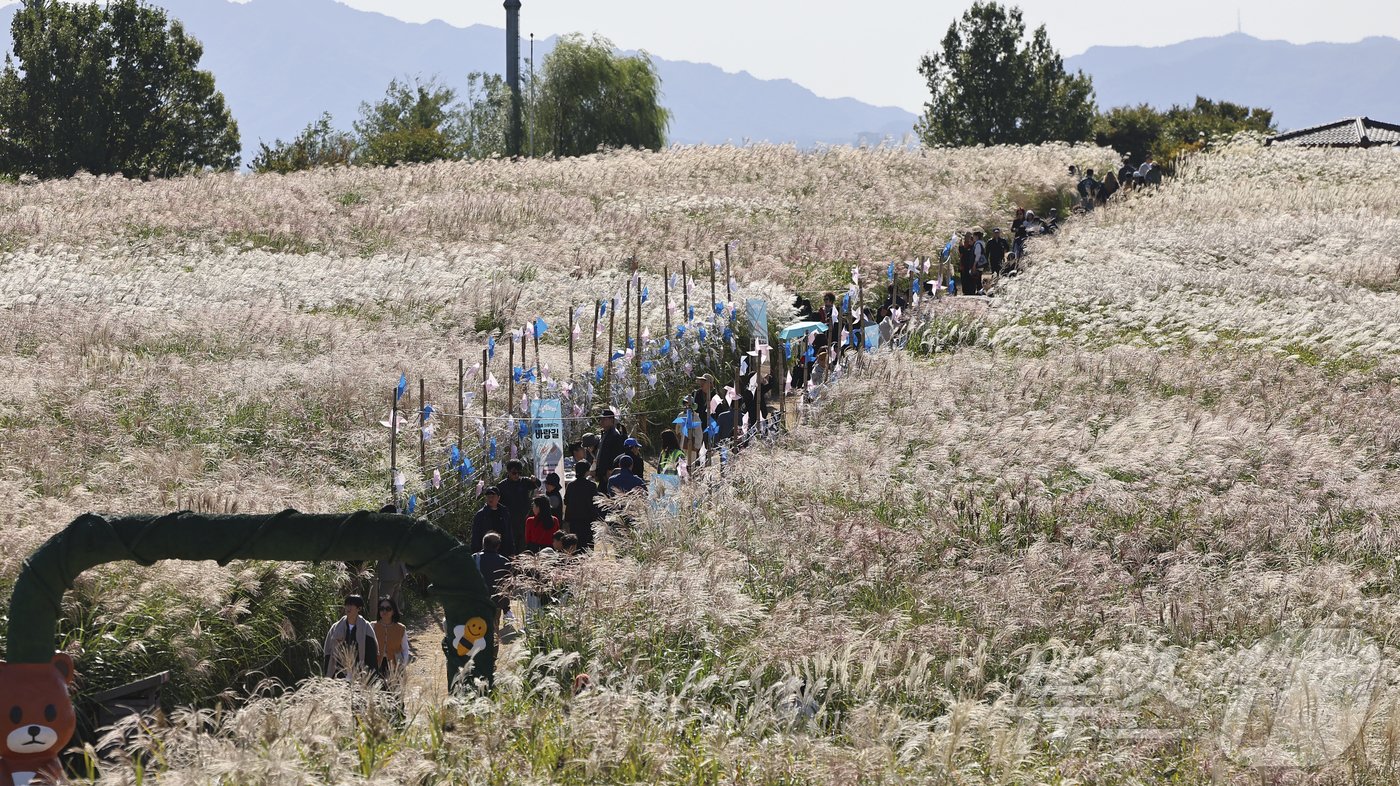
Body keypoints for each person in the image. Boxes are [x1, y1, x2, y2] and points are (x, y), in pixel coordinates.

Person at [323, 595, 379, 679]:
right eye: (347, 605)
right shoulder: (336, 627)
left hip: (360, 673)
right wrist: (328, 672)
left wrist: (370, 676)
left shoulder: (366, 628)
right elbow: (328, 652)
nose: (348, 607)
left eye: (351, 605)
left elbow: (372, 655)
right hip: (339, 672)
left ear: (359, 608)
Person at [472, 531, 513, 634]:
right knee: (493, 628)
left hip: (477, 600)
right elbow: (509, 586)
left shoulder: (474, 558)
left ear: (483, 543)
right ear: (498, 546)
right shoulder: (504, 561)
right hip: (496, 602)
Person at [498, 460, 538, 556]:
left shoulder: (524, 481)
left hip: (524, 518)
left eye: (519, 473)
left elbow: (538, 484)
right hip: (510, 519)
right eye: (514, 473)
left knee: (524, 544)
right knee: (511, 544)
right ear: (508, 472)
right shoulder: (502, 486)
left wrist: (535, 480)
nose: (517, 475)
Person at [564, 459, 602, 550]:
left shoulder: (571, 485)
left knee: (575, 545)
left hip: (574, 520)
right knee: (588, 546)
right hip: (588, 520)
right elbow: (596, 502)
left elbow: (566, 501)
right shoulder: (591, 486)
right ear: (586, 471)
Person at [372, 596, 410, 678]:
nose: (384, 611)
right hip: (376, 665)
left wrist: (403, 665)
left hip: (395, 665)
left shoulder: (401, 628)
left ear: (393, 611)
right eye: (381, 609)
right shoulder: (372, 626)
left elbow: (405, 649)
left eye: (388, 609)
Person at [471, 486, 512, 554]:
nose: (490, 499)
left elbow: (509, 532)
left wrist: (511, 550)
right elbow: (476, 535)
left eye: (493, 496)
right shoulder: (481, 514)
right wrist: (476, 551)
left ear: (498, 498)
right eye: (488, 496)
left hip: (503, 550)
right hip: (486, 551)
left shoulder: (504, 512)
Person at [593, 410, 625, 487]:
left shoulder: (615, 435)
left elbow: (617, 454)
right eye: (601, 419)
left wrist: (611, 469)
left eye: (604, 419)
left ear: (611, 420)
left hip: (608, 473)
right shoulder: (605, 433)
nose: (602, 421)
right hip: (602, 472)